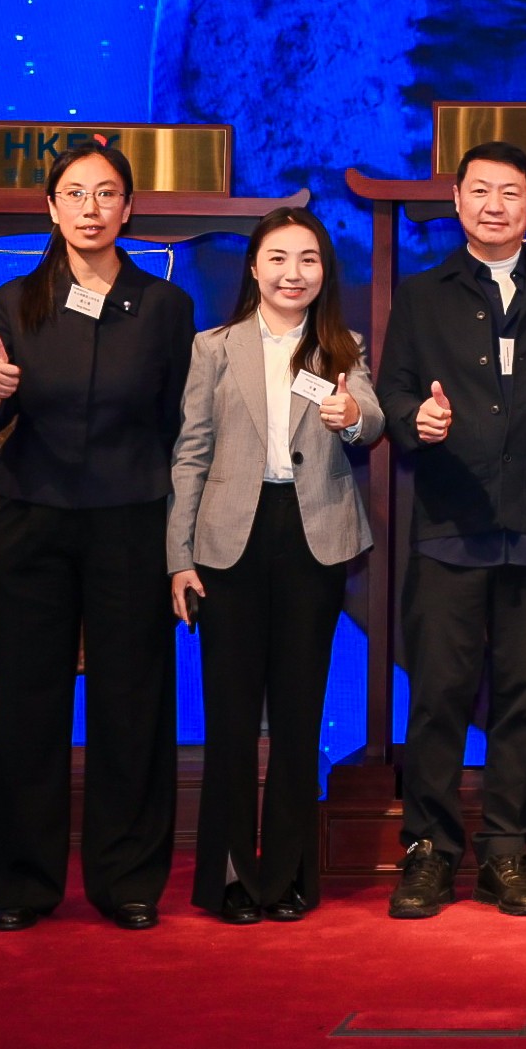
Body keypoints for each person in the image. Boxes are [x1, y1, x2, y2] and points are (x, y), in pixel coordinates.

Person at [0, 138, 196, 932]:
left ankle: (127, 878)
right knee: (26, 702)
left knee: (132, 700)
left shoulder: (165, 306)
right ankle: (21, 884)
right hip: (33, 518)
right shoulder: (13, 299)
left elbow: (179, 425)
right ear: (51, 206)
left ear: (128, 209)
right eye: (74, 193)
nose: (90, 208)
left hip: (131, 519)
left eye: (105, 194)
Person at [377, 140, 526, 919]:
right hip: (450, 522)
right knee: (438, 694)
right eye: (479, 190)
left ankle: (507, 851)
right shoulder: (422, 294)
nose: (494, 204)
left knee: (521, 696)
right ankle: (429, 850)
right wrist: (417, 418)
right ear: (457, 200)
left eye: (510, 191)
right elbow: (392, 391)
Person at [167, 207, 382, 925]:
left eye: (308, 260)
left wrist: (351, 416)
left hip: (310, 539)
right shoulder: (213, 346)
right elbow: (190, 455)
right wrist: (178, 558)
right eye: (279, 259)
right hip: (227, 541)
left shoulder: (341, 346)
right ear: (255, 268)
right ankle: (230, 874)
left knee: (298, 713)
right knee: (229, 717)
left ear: (324, 271)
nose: (294, 273)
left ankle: (288, 873)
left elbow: (370, 417)